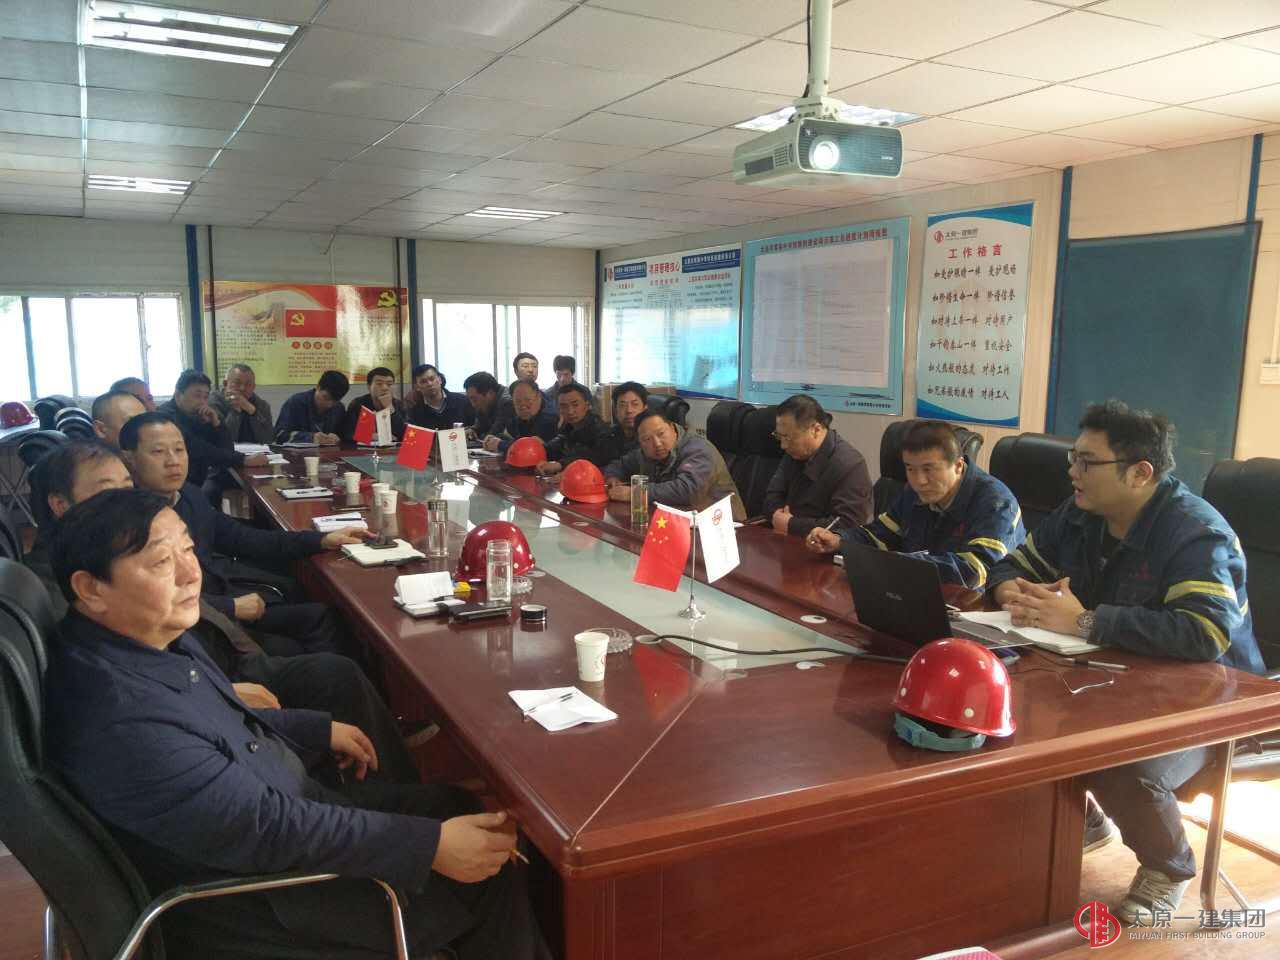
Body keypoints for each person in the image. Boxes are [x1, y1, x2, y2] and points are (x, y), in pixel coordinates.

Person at [45, 488, 551, 959]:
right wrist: (426, 847)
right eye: (160, 562)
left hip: (287, 809)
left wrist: (312, 729)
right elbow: (266, 828)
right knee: (486, 871)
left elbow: (217, 724)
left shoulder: (138, 641)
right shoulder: (120, 719)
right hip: (266, 901)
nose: (190, 574)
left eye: (188, 550)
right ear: (90, 588)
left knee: (457, 807)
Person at [987, 400, 1265, 924]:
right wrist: (1011, 591)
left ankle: (1169, 867)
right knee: (1009, 704)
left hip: (1214, 699)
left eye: (1087, 462)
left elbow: (1204, 634)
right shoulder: (1080, 514)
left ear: (1140, 473)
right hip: (1118, 675)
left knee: (1117, 757)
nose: (1073, 472)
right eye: (1073, 458)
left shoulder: (1194, 533)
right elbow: (1012, 563)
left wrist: (1085, 622)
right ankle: (1087, 821)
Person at [23, 440, 421, 785]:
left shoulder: (173, 509)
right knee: (330, 659)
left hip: (212, 662)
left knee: (334, 661)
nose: (124, 500)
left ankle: (377, 762)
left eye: (127, 487)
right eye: (107, 491)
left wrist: (320, 539)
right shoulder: (62, 586)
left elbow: (241, 540)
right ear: (60, 504)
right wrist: (223, 692)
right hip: (212, 676)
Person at [120, 412, 360, 657]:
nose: (173, 461)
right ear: (129, 459)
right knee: (310, 638)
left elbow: (243, 538)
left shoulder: (190, 495)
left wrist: (321, 539)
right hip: (200, 628)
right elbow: (149, 597)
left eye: (179, 450)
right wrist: (230, 607)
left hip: (224, 594)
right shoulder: (127, 522)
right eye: (158, 452)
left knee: (320, 612)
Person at [807, 420, 1024, 591]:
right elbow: (881, 534)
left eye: (929, 469)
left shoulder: (996, 503)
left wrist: (901, 564)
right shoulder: (914, 492)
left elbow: (977, 570)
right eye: (910, 469)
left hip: (973, 609)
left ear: (958, 466)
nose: (919, 480)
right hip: (916, 591)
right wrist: (840, 540)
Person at [762, 394, 873, 537]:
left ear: (816, 430)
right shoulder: (793, 453)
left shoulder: (850, 465)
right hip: (785, 537)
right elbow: (772, 496)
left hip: (820, 547)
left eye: (789, 437)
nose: (783, 445)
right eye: (779, 436)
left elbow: (848, 526)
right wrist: (777, 516)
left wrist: (791, 524)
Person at [604, 409, 746, 520]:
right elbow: (620, 465)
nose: (657, 443)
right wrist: (612, 478)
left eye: (661, 434)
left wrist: (635, 493)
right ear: (640, 443)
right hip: (676, 522)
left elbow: (687, 491)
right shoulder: (643, 453)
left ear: (673, 428)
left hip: (722, 526)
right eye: (647, 439)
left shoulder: (698, 449)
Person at [157, 369, 268, 491]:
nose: (202, 402)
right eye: (197, 395)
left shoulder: (198, 414)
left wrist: (217, 424)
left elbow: (227, 449)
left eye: (205, 397)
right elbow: (198, 449)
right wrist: (243, 460)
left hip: (193, 483)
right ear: (178, 396)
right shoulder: (165, 417)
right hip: (172, 487)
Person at [536, 382, 610, 475]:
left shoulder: (600, 429)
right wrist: (540, 451)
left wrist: (560, 464)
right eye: (564, 406)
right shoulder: (568, 427)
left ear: (587, 405)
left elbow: (594, 456)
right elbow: (555, 446)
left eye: (575, 405)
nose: (570, 411)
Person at [274, 369, 349, 445]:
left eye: (335, 401)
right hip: (296, 452)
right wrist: (311, 438)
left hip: (328, 452)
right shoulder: (296, 402)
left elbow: (345, 436)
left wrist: (337, 438)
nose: (329, 405)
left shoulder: (339, 408)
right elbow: (279, 435)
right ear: (318, 387)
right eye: (326, 398)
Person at [483, 380, 557, 455]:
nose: (523, 406)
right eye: (518, 401)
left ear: (539, 397)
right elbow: (509, 434)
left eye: (528, 400)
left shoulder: (550, 417)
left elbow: (529, 448)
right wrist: (493, 439)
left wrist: (500, 444)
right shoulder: (519, 416)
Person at [209, 362, 274, 446]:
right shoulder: (213, 402)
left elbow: (268, 440)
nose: (242, 388)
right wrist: (235, 412)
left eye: (248, 384)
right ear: (225, 384)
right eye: (237, 383)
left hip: (256, 452)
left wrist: (253, 412)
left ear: (253, 387)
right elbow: (222, 440)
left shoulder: (262, 405)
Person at [342, 367, 407, 443]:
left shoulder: (399, 405)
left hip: (393, 449)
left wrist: (390, 408)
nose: (385, 388)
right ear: (369, 387)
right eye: (379, 384)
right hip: (364, 449)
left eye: (389, 384)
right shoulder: (358, 404)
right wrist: (369, 436)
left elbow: (407, 434)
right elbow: (347, 433)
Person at [407, 363, 474, 430]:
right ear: (417, 387)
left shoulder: (462, 401)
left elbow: (474, 428)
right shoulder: (414, 412)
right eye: (423, 382)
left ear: (440, 380)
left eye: (432, 379)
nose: (429, 384)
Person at [596, 381, 648, 466]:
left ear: (645, 409)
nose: (629, 410)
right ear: (615, 411)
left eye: (635, 404)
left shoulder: (651, 439)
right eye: (622, 405)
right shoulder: (607, 437)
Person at [463, 371, 503, 441]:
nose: (473, 404)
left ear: (490, 393)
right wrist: (472, 430)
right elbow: (480, 425)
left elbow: (493, 434)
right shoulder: (484, 404)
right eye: (470, 399)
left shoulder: (507, 403)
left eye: (474, 399)